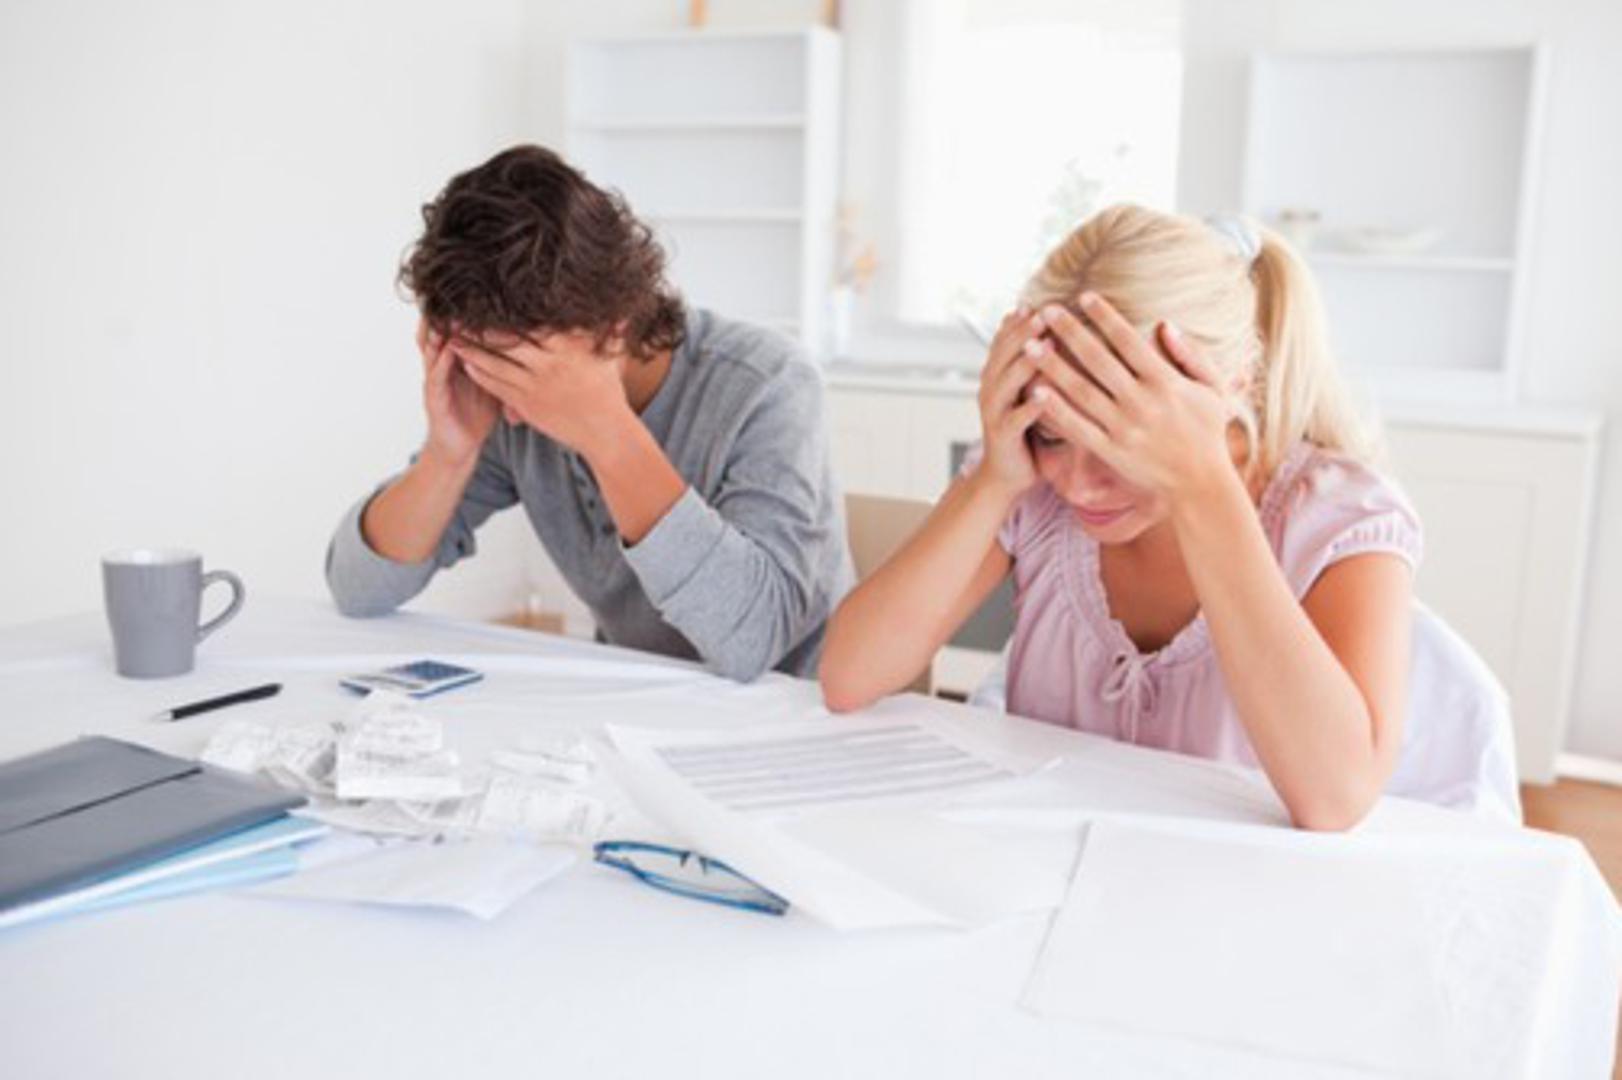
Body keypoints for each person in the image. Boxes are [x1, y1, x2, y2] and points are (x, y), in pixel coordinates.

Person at [819, 204, 1422, 831]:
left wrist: (1204, 489)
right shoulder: (1027, 482)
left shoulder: (1340, 516)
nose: (1079, 484)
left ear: (1232, 387)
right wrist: (995, 479)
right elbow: (849, 677)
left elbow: (1335, 799)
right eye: (1054, 434)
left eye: (1117, 443)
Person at [326, 145, 853, 681]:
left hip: (789, 707)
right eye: (481, 365)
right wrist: (448, 454)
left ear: (613, 325)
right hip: (637, 701)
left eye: (519, 369)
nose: (509, 410)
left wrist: (606, 434)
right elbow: (357, 589)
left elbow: (754, 643)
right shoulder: (507, 406)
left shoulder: (768, 385)